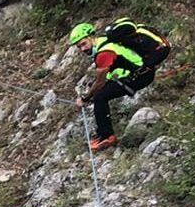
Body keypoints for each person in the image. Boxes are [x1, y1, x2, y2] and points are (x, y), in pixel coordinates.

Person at [68, 19, 170, 152]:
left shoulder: (103, 53)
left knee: (100, 96)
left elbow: (99, 83)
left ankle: (107, 137)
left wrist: (85, 98)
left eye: (83, 44)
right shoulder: (104, 41)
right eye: (79, 46)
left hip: (140, 77)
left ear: (91, 37)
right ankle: (103, 134)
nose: (83, 49)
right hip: (141, 72)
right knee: (101, 94)